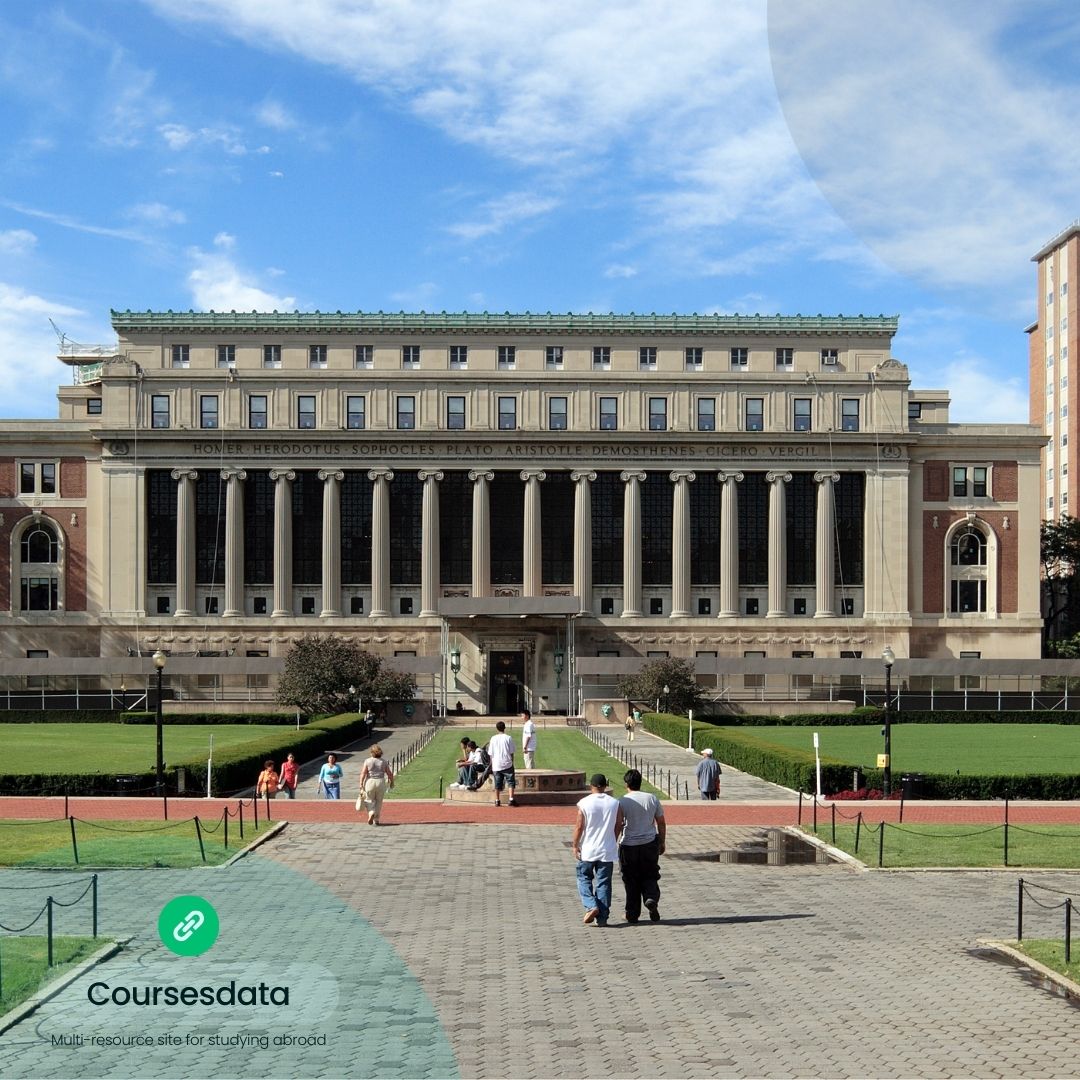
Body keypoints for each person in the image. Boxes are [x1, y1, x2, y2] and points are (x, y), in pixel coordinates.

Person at [571, 773, 623, 927]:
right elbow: (619, 823)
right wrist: (612, 838)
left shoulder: (584, 803)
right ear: (605, 785)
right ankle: (602, 918)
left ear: (591, 786)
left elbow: (579, 826)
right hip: (607, 849)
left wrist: (575, 845)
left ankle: (591, 905)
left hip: (588, 849)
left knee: (584, 878)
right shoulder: (615, 803)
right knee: (604, 883)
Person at [618, 768, 666, 923]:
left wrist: (613, 842)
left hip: (629, 844)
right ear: (641, 782)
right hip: (649, 843)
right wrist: (662, 841)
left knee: (630, 879)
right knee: (650, 874)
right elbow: (661, 822)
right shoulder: (652, 798)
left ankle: (632, 913)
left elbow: (618, 824)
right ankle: (651, 897)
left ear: (626, 784)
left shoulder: (623, 801)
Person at [358, 744, 394, 825]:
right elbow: (389, 773)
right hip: (380, 781)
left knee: (369, 800)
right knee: (379, 801)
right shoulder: (383, 761)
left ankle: (371, 812)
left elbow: (363, 773)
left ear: (371, 752)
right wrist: (392, 782)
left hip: (370, 781)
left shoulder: (367, 761)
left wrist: (361, 784)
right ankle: (376, 819)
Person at [487, 721, 517, 806]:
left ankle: (497, 800)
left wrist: (491, 763)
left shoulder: (493, 738)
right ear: (504, 728)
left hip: (496, 764)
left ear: (497, 728)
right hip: (507, 762)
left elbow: (490, 753)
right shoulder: (508, 738)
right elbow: (511, 752)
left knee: (497, 783)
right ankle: (511, 799)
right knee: (511, 782)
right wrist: (512, 761)